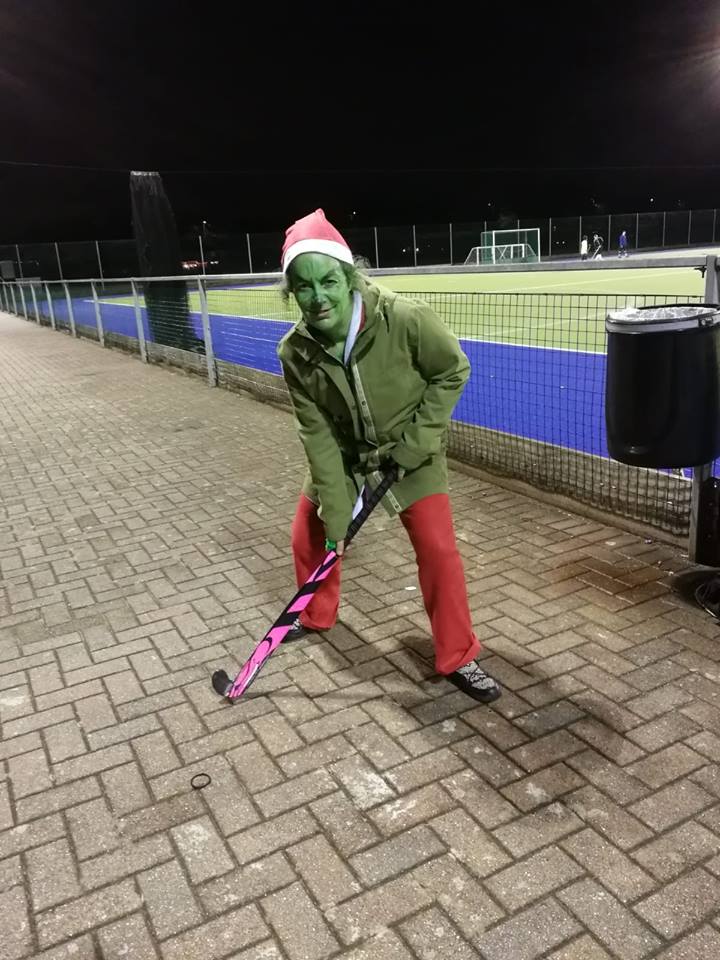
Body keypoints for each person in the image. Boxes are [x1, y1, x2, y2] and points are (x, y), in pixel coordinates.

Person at [276, 209, 501, 704]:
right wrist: (336, 515)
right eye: (304, 287)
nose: (318, 297)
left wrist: (417, 443)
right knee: (308, 531)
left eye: (328, 281)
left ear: (349, 277)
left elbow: (452, 370)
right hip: (346, 454)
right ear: (292, 292)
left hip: (412, 453)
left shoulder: (405, 318)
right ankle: (313, 613)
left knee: (439, 551)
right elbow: (316, 434)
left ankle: (458, 654)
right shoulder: (294, 352)